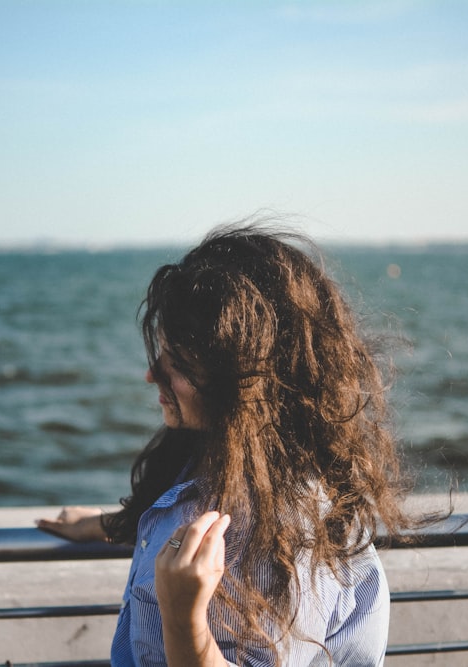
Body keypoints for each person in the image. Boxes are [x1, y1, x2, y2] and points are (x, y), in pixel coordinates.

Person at [37, 222, 414, 666]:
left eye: (175, 362)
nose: (151, 374)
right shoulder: (213, 459)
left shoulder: (279, 538)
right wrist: (114, 525)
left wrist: (183, 620)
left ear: (239, 382)